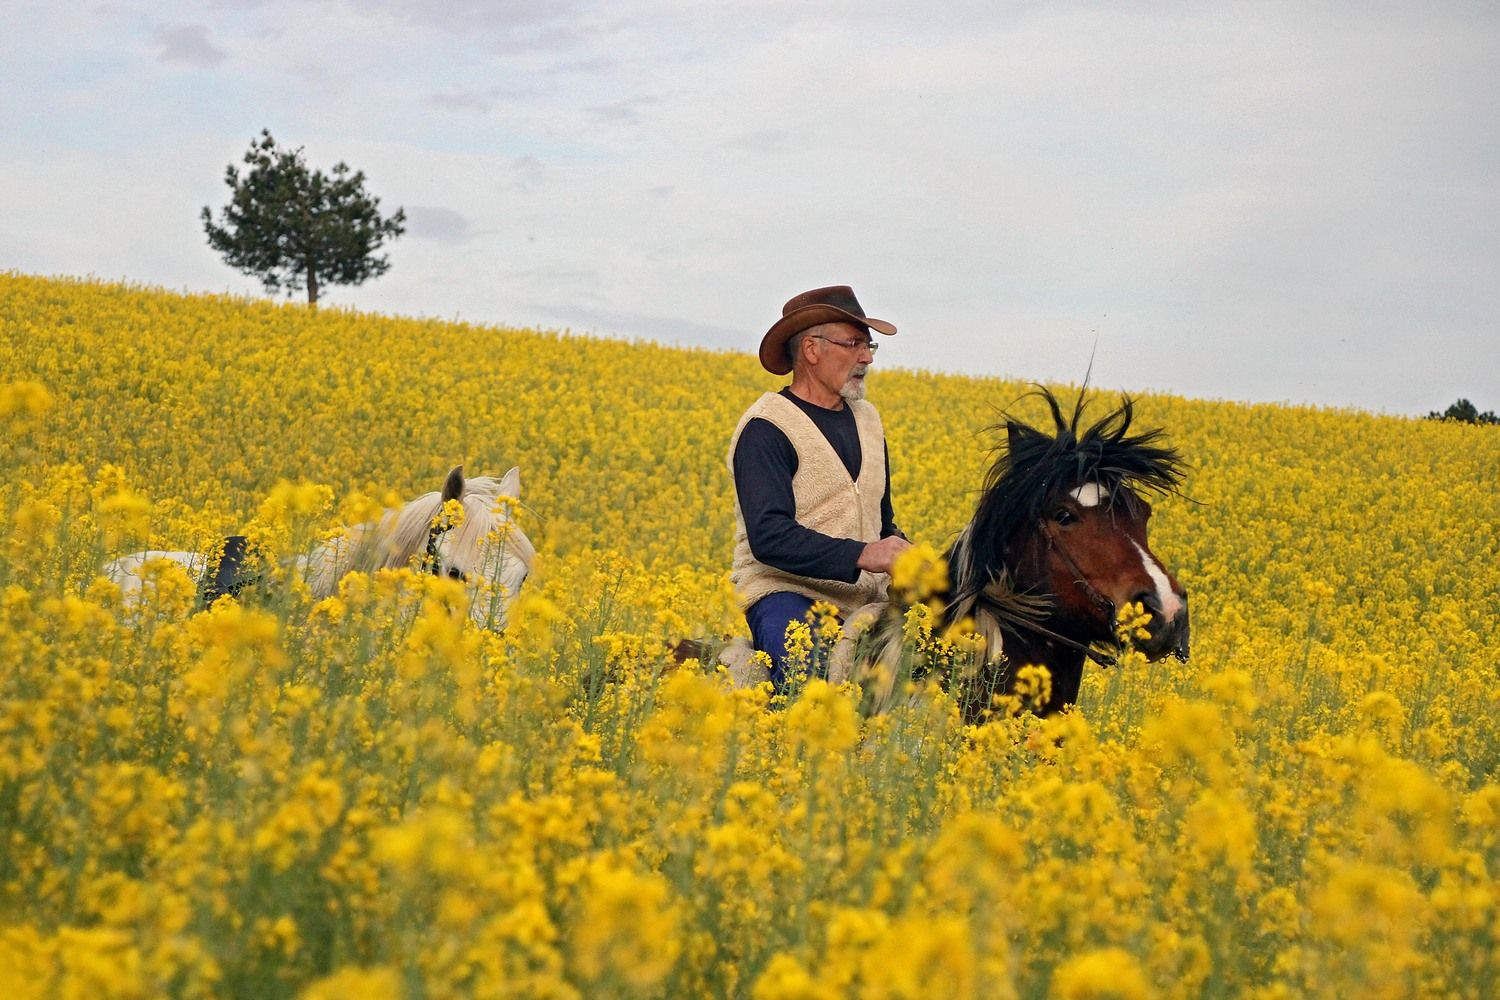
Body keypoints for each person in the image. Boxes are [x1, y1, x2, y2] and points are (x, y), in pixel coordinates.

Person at [728, 285, 912, 689]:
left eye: (869, 347)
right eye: (854, 344)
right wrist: (865, 554)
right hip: (786, 594)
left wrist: (908, 555)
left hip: (866, 597)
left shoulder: (869, 421)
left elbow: (880, 522)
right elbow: (769, 536)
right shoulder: (766, 428)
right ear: (812, 350)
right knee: (806, 679)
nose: (866, 357)